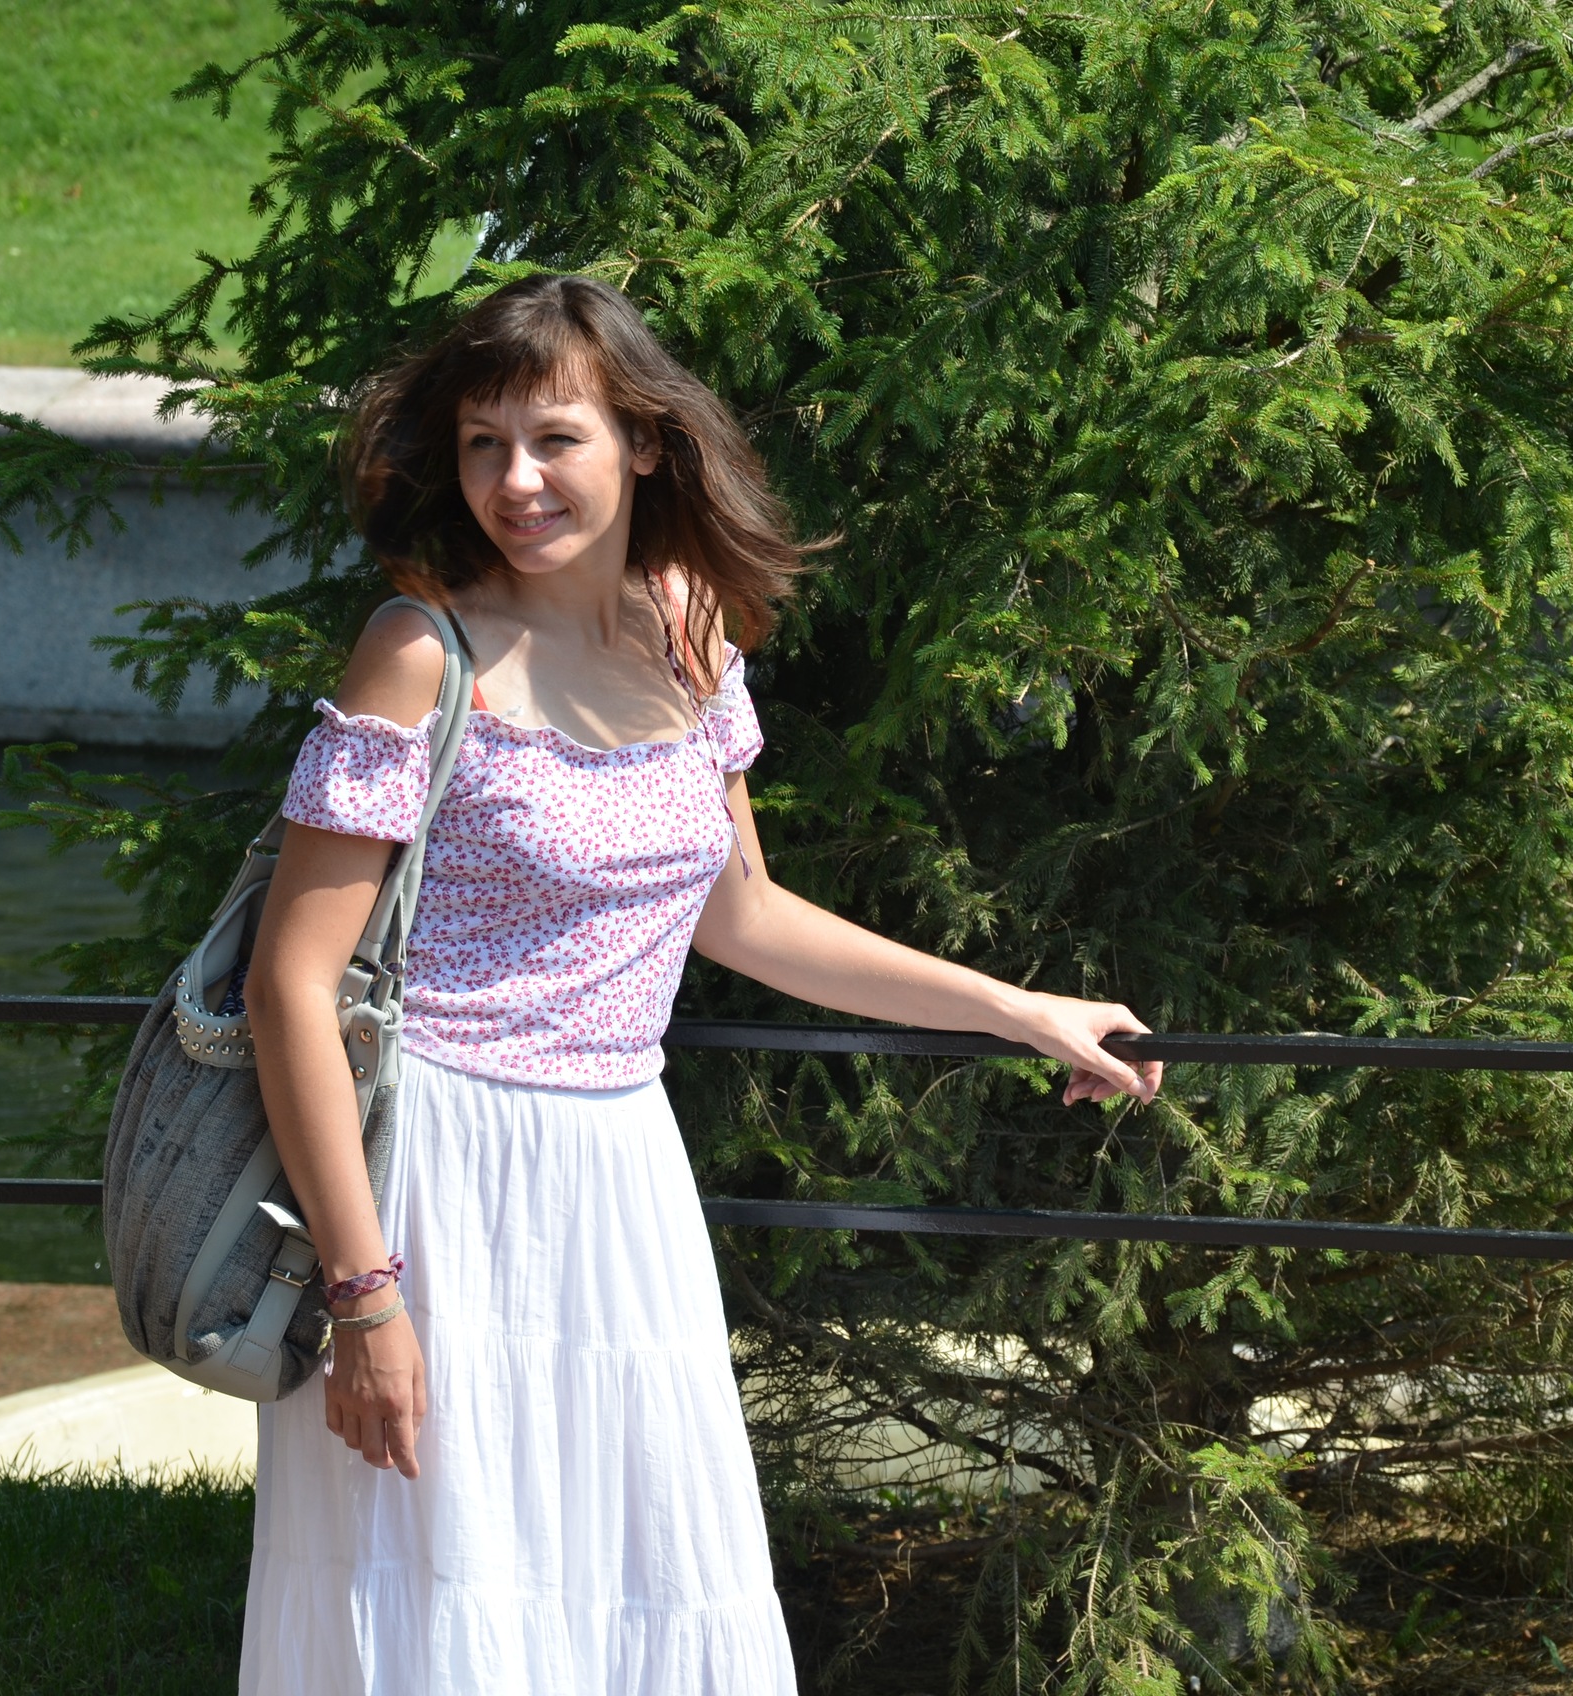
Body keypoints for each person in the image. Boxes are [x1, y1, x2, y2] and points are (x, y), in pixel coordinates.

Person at [237, 273, 1163, 1695]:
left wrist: (1018, 1009)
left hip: (622, 1182)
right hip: (432, 1189)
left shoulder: (690, 630)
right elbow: (290, 988)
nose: (515, 480)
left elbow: (747, 914)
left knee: (647, 1585)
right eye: (483, 444)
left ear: (646, 443)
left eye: (555, 438)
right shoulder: (421, 653)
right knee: (443, 1611)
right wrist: (366, 1300)